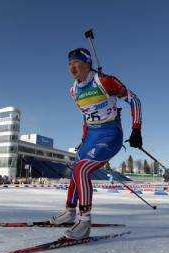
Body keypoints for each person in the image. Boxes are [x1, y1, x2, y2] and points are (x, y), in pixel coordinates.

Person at [49, 48, 143, 239]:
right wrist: (84, 139)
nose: (72, 67)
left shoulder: (105, 81)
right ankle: (70, 213)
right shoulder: (73, 91)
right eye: (69, 64)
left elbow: (134, 100)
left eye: (76, 63)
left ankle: (84, 222)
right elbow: (86, 117)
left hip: (110, 135)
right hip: (91, 135)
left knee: (82, 169)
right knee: (75, 167)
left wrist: (136, 129)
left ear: (87, 64)